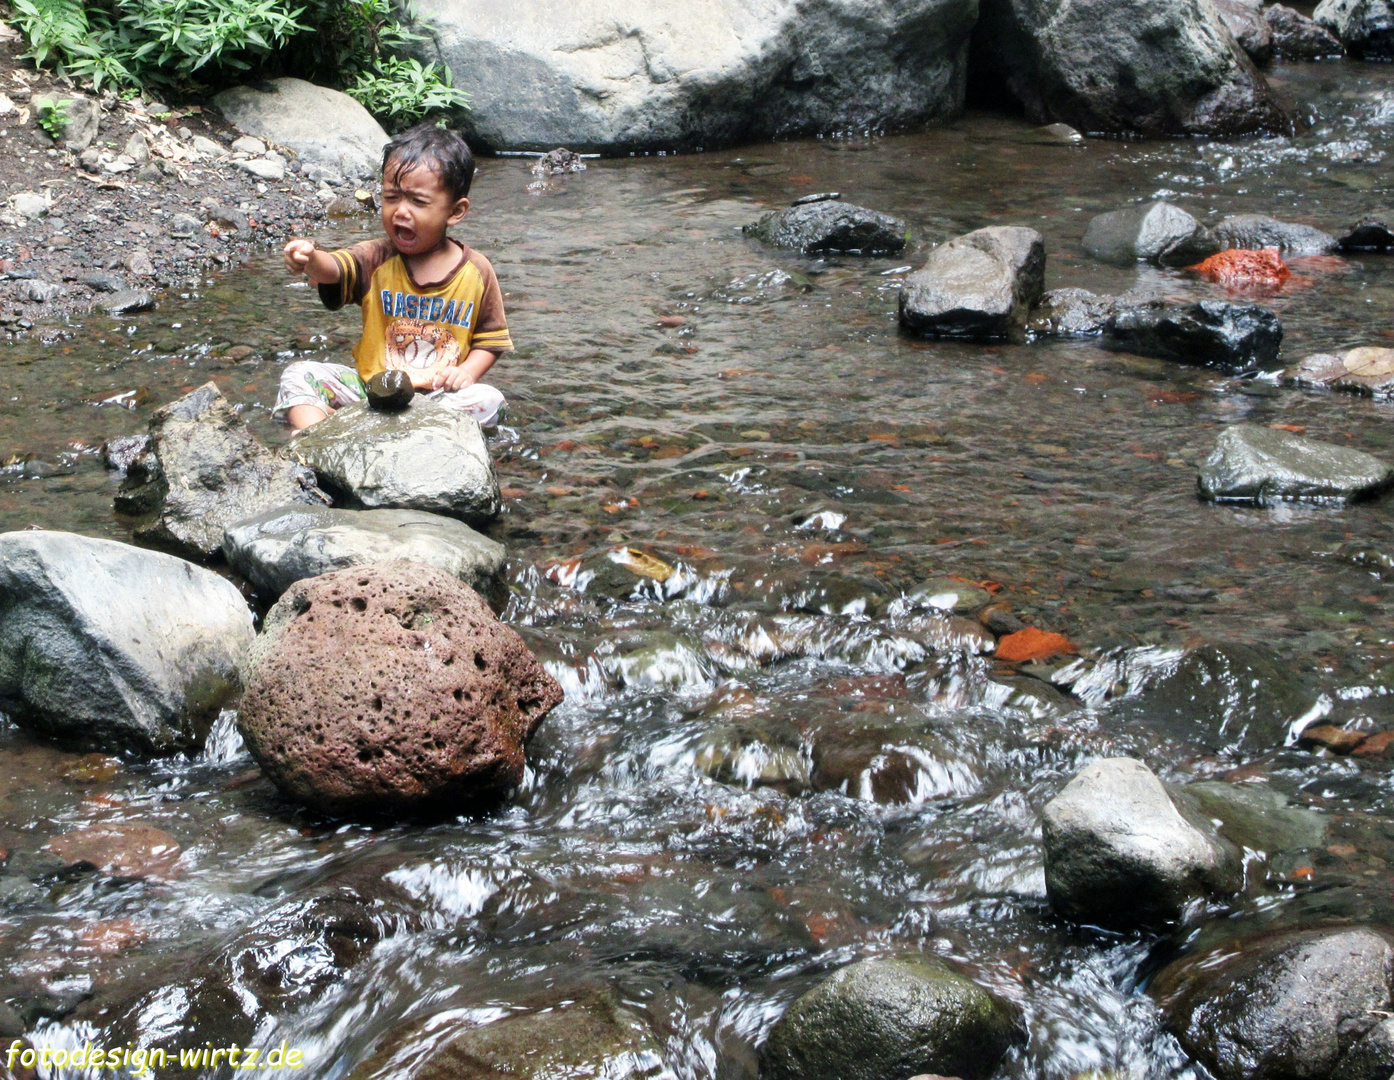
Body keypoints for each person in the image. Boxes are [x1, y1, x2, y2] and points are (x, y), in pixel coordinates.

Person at [273, 123, 512, 433]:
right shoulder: (376, 257)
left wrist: (466, 372)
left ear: (455, 211)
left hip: (437, 400)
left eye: (418, 201)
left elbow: (490, 341)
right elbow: (334, 269)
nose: (401, 211)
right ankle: (316, 437)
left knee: (491, 401)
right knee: (300, 374)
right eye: (391, 197)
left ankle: (410, 436)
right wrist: (310, 257)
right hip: (368, 393)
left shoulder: (477, 272)